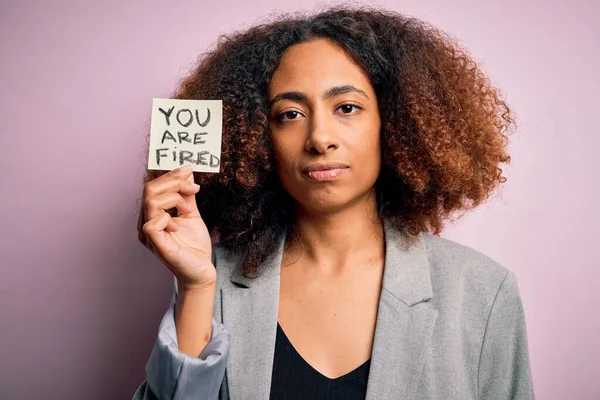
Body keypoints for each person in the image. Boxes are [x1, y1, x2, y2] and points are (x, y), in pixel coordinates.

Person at [133, 6, 535, 400]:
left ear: (394, 123)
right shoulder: (212, 278)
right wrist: (197, 287)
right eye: (290, 114)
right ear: (258, 137)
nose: (319, 138)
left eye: (346, 107)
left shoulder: (483, 291)